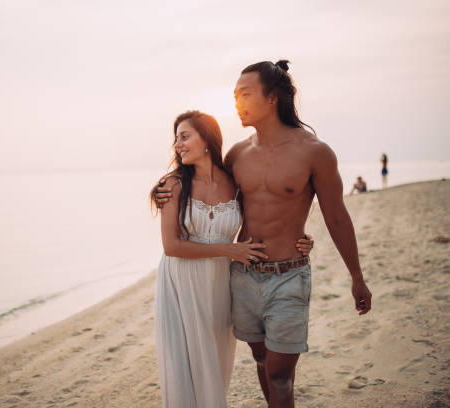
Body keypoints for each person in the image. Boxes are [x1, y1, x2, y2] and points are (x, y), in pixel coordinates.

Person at [155, 60, 372, 408]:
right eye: (234, 96)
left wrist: (356, 276)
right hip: (242, 277)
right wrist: (162, 190)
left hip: (289, 275)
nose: (237, 102)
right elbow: (211, 196)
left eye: (245, 94)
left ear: (272, 98)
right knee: (261, 363)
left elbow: (337, 216)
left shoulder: (315, 152)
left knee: (280, 376)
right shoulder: (237, 154)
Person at [151, 110, 314, 408]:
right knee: (184, 364)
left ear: (208, 139)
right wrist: (231, 251)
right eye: (176, 139)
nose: (178, 144)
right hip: (181, 283)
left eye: (185, 136)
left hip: (220, 285)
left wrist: (299, 239)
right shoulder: (173, 186)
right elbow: (171, 246)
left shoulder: (232, 181)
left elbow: (269, 212)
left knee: (214, 360)